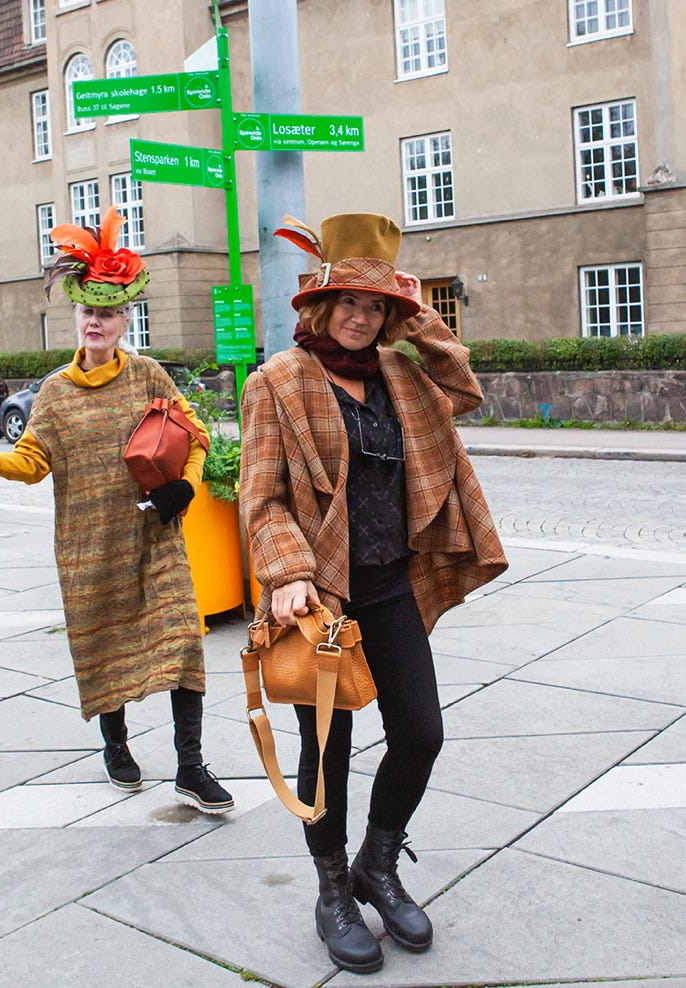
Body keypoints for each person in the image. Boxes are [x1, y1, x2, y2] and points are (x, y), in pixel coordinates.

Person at [239, 212, 507, 973]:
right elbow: (260, 499)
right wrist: (287, 573)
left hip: (390, 585)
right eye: (349, 303)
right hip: (316, 597)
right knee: (327, 752)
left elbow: (465, 386)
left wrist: (420, 318)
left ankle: (375, 868)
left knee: (420, 733)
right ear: (321, 307)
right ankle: (331, 891)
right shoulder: (278, 382)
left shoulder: (401, 375)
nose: (361, 317)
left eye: (376, 306)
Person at [0, 206, 233, 815]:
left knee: (182, 642)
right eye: (87, 313)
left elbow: (195, 436)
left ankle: (191, 765)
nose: (95, 323)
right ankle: (116, 746)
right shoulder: (54, 392)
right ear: (76, 318)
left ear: (122, 320)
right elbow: (29, 463)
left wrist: (183, 488)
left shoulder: (148, 377)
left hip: (154, 540)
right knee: (102, 649)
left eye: (106, 314)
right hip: (88, 550)